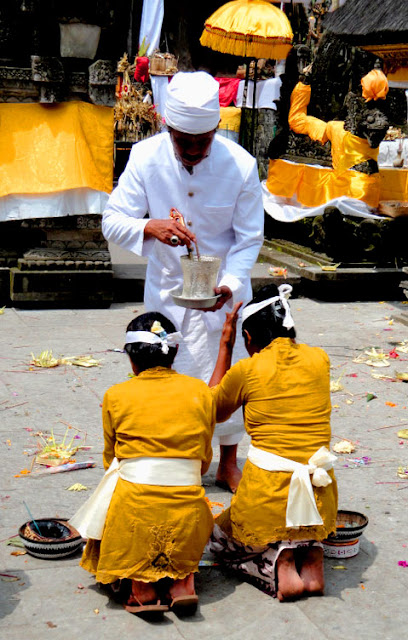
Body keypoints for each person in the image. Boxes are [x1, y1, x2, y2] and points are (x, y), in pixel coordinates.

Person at [102, 70, 264, 493]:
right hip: (168, 291)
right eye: (183, 141)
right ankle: (180, 457)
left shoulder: (241, 165)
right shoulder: (144, 157)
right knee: (169, 379)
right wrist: (148, 226)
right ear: (167, 127)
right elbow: (112, 220)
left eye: (202, 142)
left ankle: (228, 462)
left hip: (223, 293)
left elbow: (249, 238)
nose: (193, 150)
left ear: (216, 129)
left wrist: (231, 284)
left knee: (227, 377)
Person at [69, 311, 215, 615]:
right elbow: (203, 462)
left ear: (131, 359)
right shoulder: (200, 391)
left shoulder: (116, 395)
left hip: (134, 508)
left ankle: (141, 587)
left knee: (124, 505)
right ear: (174, 351)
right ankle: (183, 583)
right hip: (188, 512)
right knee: (187, 514)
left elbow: (111, 459)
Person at [207, 284, 338, 601]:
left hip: (267, 495)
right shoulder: (319, 359)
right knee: (299, 515)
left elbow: (212, 411)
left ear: (248, 337)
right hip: (321, 492)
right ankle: (310, 554)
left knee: (217, 540)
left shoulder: (248, 369)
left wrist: (225, 346)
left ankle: (277, 563)